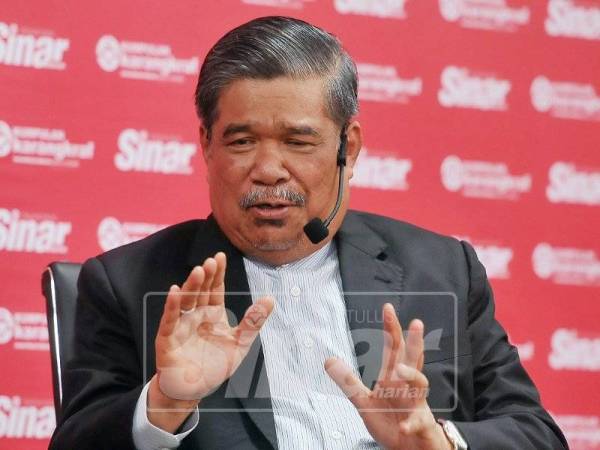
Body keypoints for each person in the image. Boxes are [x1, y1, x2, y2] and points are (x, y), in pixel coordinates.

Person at [49, 16, 568, 450]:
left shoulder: (442, 270)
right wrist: (165, 402)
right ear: (206, 144)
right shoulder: (129, 283)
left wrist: (439, 441)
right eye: (242, 141)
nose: (268, 170)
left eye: (298, 142)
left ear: (349, 148)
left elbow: (536, 435)